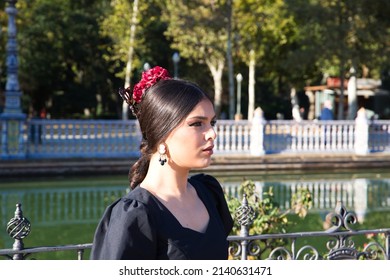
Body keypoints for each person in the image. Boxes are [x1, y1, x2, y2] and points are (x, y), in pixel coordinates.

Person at [90, 66, 233, 260]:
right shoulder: (135, 216)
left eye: (212, 123)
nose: (212, 134)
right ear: (161, 136)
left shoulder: (209, 193)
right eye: (197, 123)